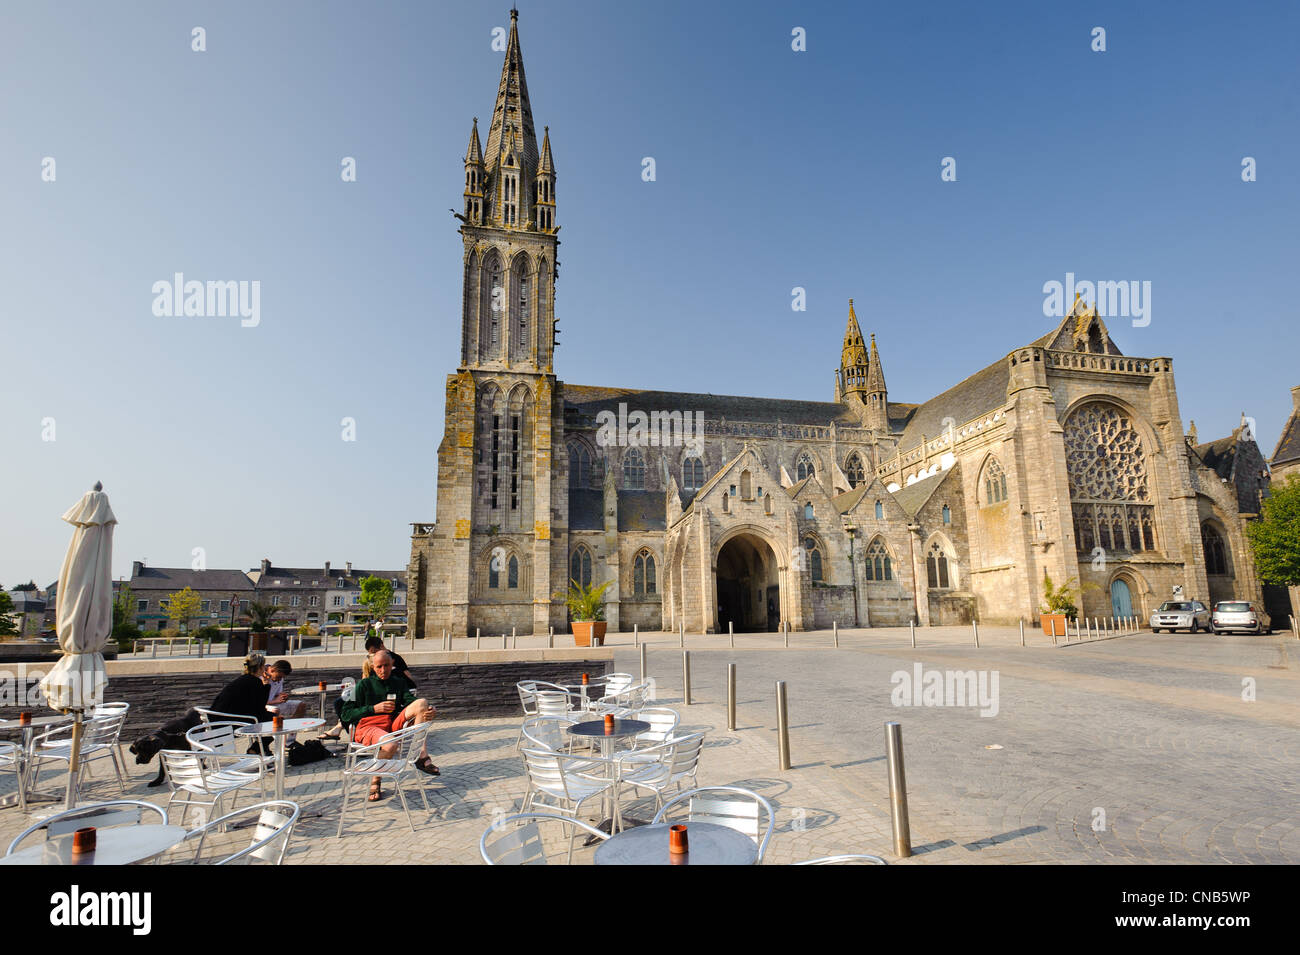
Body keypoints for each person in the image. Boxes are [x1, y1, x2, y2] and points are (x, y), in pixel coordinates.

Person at [340, 650, 438, 800]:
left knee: (422, 703)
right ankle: (376, 779)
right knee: (391, 745)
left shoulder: (398, 682)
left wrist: (429, 710)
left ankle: (420, 755)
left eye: (386, 665)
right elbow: (345, 713)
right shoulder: (363, 685)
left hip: (391, 724)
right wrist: (373, 708)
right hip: (368, 726)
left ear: (392, 664)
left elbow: (410, 700)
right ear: (373, 667)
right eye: (379, 666)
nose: (383, 670)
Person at [211, 654, 272, 724]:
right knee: (274, 718)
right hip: (233, 721)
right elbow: (260, 707)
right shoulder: (255, 682)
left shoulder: (242, 679)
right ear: (260, 667)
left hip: (218, 716)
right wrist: (267, 684)